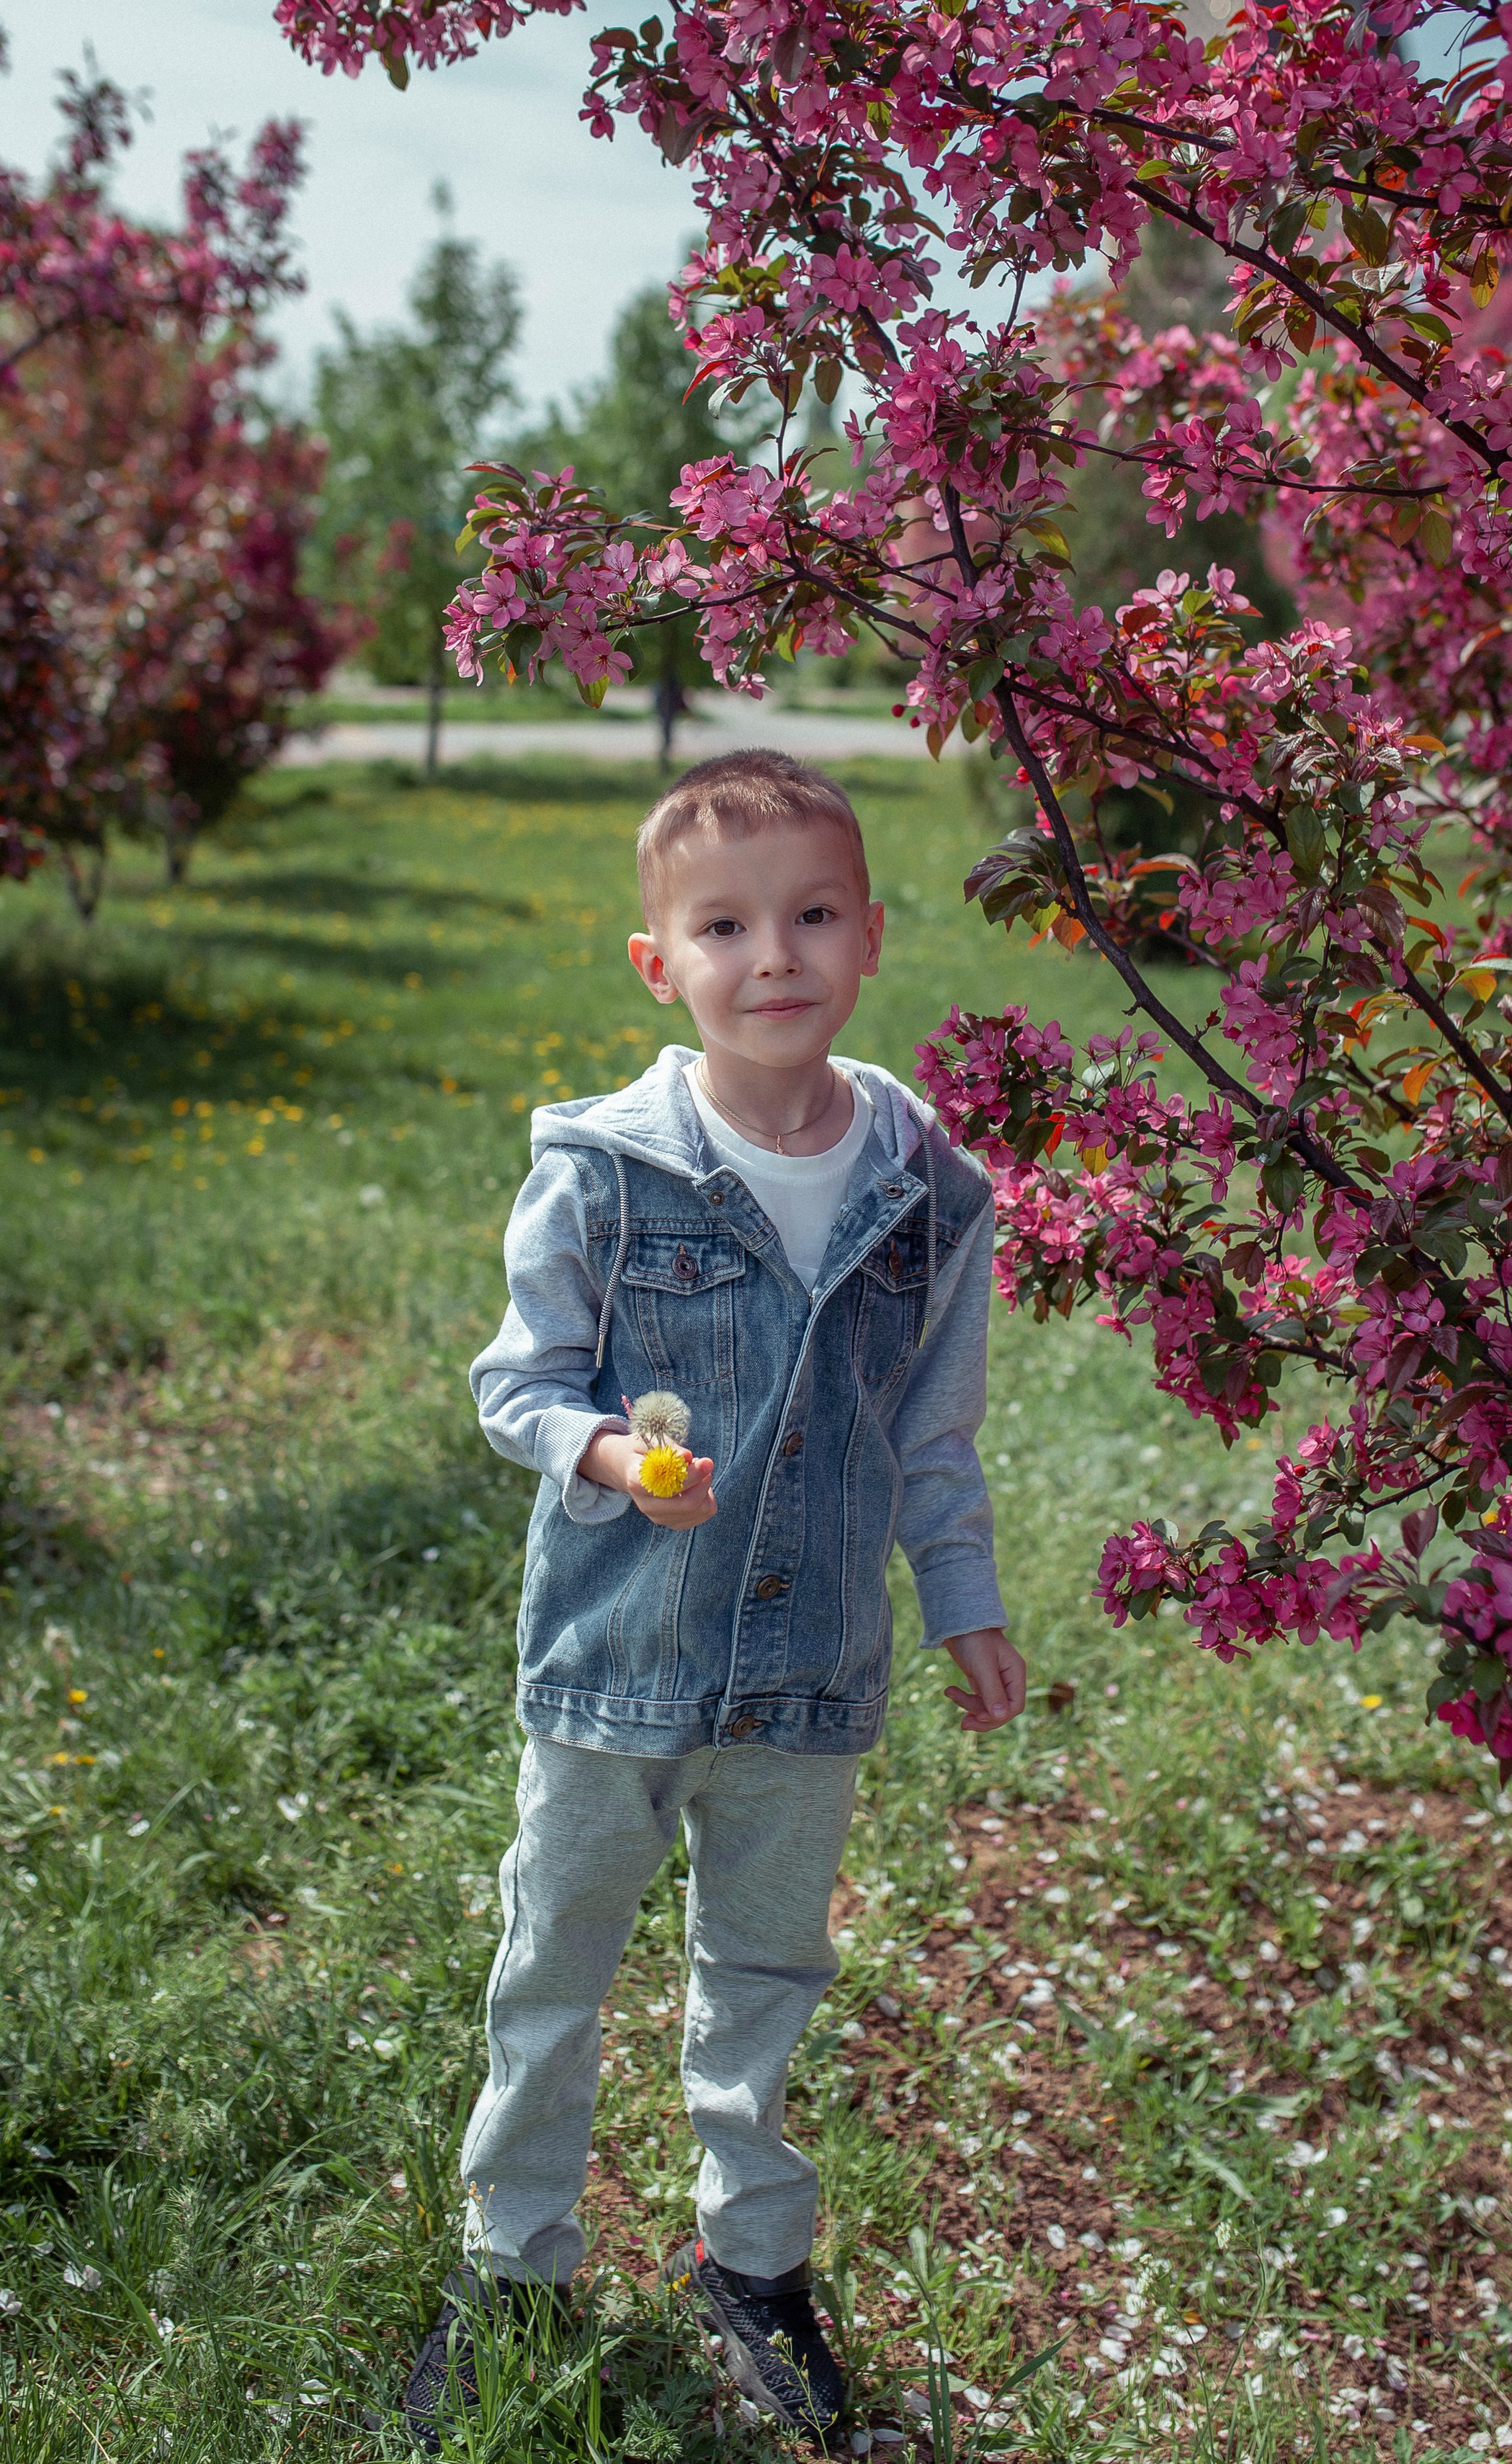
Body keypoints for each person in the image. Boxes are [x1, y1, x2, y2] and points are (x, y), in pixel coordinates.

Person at [406, 748, 1026, 2453]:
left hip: (809, 1671)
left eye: (811, 916)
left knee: (763, 1974)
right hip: (620, 1659)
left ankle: (752, 2266)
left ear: (870, 937)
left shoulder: (925, 1186)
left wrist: (959, 1595)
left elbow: (928, 1426)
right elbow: (513, 1381)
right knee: (555, 1969)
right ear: (658, 963)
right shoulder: (605, 1168)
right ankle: (509, 2261)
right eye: (727, 926)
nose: (775, 958)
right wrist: (605, 1453)